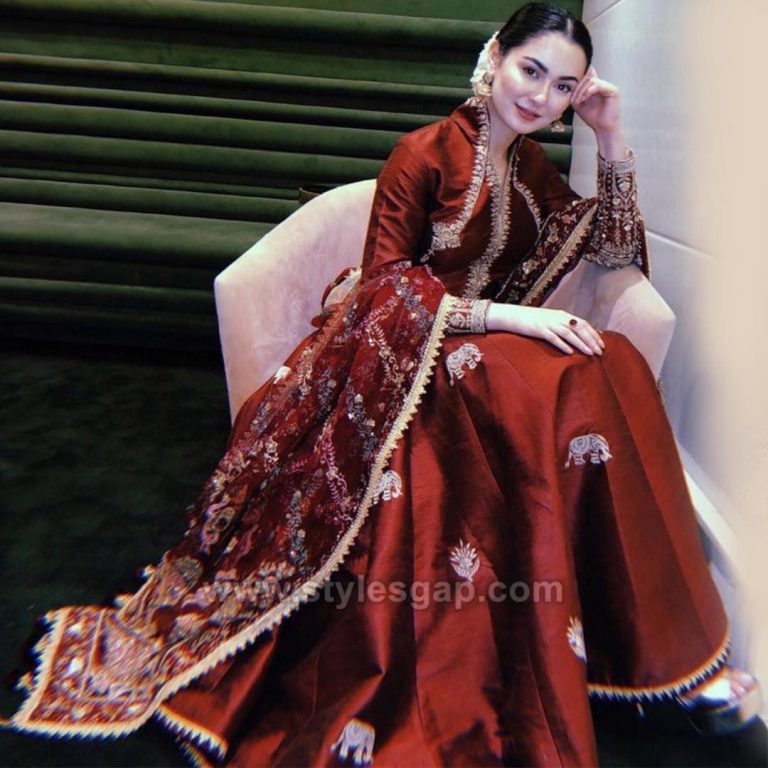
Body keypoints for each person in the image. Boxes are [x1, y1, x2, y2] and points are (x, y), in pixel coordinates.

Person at [2, 3, 761, 766]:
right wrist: (513, 318)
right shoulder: (424, 152)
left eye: (563, 86)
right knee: (551, 378)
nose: (540, 96)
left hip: (481, 352)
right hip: (392, 353)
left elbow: (615, 249)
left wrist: (611, 136)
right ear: (494, 56)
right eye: (530, 70)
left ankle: (662, 656)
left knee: (612, 364)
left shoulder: (532, 171)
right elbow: (384, 285)